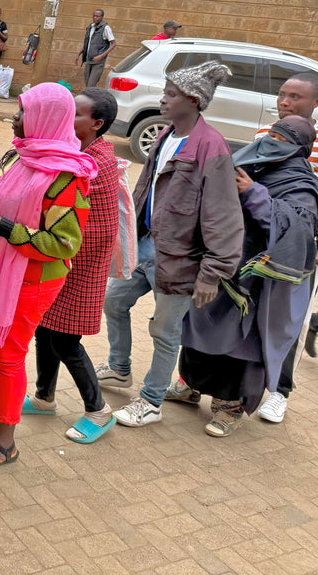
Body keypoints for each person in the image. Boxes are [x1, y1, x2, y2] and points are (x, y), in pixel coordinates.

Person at [0, 83, 97, 470]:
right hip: (4, 268)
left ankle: (5, 443)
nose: (14, 118)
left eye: (22, 112)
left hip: (34, 279)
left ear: (44, 119)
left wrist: (2, 226)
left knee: (9, 351)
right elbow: (23, 206)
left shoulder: (68, 178)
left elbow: (63, 244)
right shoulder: (27, 156)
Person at [96, 61, 244, 428]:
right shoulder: (165, 135)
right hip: (146, 248)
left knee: (165, 331)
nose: (163, 99)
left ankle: (151, 400)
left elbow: (223, 215)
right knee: (113, 300)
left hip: (182, 259)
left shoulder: (211, 146)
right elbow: (146, 190)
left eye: (170, 94)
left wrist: (212, 274)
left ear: (193, 100)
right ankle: (118, 367)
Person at [176, 116, 318, 436]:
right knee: (199, 326)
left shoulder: (301, 184)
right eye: (273, 134)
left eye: (283, 140)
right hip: (220, 263)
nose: (273, 142)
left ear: (301, 150)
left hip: (254, 280)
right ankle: (190, 386)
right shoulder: (250, 157)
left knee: (237, 344)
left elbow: (300, 232)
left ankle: (230, 407)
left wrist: (254, 193)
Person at [27, 88, 120, 444]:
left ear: (96, 124)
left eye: (77, 113)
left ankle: (98, 410)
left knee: (65, 342)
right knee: (42, 330)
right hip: (62, 261)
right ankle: (43, 397)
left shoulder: (97, 162)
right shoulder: (78, 152)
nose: (68, 116)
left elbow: (98, 226)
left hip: (79, 267)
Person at [249, 71, 318, 422]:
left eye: (296, 97)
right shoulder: (265, 133)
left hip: (302, 248)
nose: (286, 102)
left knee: (287, 320)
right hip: (257, 243)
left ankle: (280, 391)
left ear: (315, 102)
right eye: (282, 95)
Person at [74, 9, 116, 87]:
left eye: (97, 16)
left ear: (102, 17)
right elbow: (87, 43)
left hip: (98, 62)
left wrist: (101, 56)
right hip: (88, 60)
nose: (95, 18)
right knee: (87, 84)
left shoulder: (106, 28)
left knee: (91, 85)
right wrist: (79, 53)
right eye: (94, 16)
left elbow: (113, 44)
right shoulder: (91, 27)